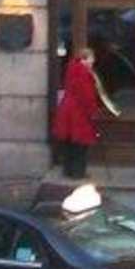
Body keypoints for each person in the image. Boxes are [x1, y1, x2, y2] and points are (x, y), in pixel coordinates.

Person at [51, 46, 102, 180]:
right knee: (80, 144)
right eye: (91, 59)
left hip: (67, 110)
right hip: (78, 113)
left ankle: (68, 170)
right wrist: (93, 111)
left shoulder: (72, 69)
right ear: (85, 59)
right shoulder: (84, 73)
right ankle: (78, 172)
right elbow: (87, 95)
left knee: (69, 142)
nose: (93, 61)